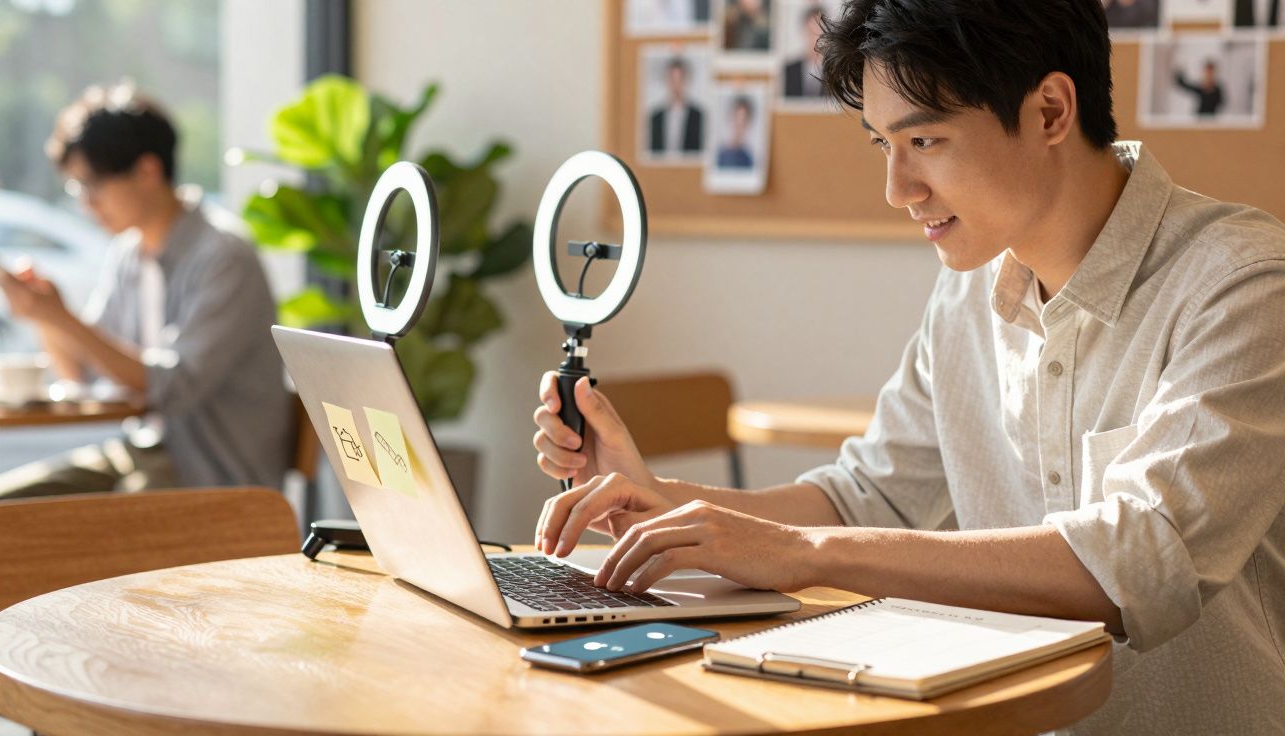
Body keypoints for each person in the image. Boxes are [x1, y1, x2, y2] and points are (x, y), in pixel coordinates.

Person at [531, 1, 1285, 734]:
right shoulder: (968, 287)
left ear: (1052, 111)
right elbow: (873, 500)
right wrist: (659, 504)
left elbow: (1139, 563)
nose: (897, 189)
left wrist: (799, 555)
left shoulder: (1242, 284)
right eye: (880, 144)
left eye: (924, 141)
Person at [0, 84, 291, 498]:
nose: (86, 204)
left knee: (47, 529)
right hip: (142, 451)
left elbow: (168, 387)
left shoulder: (223, 257)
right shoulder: (129, 252)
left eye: (92, 185)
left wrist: (62, 318)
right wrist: (41, 314)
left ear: (147, 171)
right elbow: (84, 371)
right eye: (77, 189)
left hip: (210, 474)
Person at [648, 57, 705, 155]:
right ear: (667, 81)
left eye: (680, 80)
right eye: (672, 79)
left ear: (686, 81)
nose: (676, 85)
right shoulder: (655, 117)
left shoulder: (697, 116)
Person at [783, 6, 827, 98]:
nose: (815, 39)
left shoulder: (835, 73)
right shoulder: (789, 70)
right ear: (804, 32)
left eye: (819, 33)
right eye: (811, 32)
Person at [716, 96, 756, 168]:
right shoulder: (720, 154)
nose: (738, 127)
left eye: (742, 122)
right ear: (731, 118)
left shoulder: (747, 159)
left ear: (747, 125)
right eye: (736, 119)